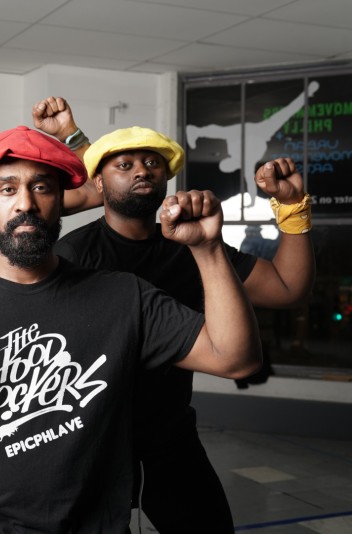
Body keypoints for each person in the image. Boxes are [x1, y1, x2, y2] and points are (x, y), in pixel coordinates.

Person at [0, 125, 262, 533]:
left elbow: (236, 359)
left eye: (42, 188)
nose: (25, 204)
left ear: (60, 200)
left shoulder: (122, 297)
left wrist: (207, 251)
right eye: (7, 189)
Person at [44, 104, 314, 533]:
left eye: (152, 163)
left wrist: (292, 206)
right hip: (87, 440)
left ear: (166, 178)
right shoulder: (72, 256)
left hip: (169, 437)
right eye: (125, 164)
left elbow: (287, 287)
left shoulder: (193, 245)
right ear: (98, 182)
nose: (141, 171)